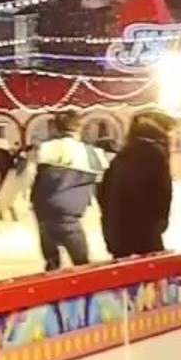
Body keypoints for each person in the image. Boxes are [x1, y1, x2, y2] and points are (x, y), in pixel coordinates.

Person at [31, 111, 107, 270]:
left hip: (44, 212)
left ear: (55, 128)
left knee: (52, 263)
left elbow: (35, 175)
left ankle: (52, 269)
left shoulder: (47, 148)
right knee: (82, 265)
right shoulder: (93, 154)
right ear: (79, 128)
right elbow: (102, 179)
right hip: (70, 215)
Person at [97, 110, 176, 260]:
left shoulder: (122, 155)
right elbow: (163, 192)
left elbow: (102, 191)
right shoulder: (156, 154)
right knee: (150, 267)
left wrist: (108, 220)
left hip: (117, 228)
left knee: (122, 266)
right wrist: (161, 221)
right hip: (145, 230)